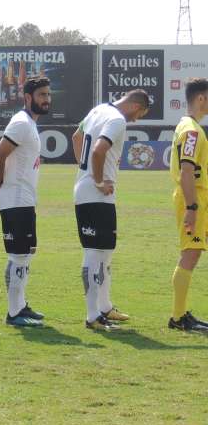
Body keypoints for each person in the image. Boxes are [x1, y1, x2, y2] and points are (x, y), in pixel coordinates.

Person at [72, 89, 150, 330]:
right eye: (140, 115)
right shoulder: (116, 119)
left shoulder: (98, 110)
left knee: (105, 253)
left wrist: (84, 170)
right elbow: (98, 150)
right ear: (136, 106)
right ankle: (92, 316)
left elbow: (77, 136)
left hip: (90, 192)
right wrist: (96, 179)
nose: (136, 120)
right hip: (95, 194)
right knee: (95, 253)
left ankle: (104, 308)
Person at [0, 76, 52, 327]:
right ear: (28, 98)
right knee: (18, 255)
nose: (46, 99)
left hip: (25, 199)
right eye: (41, 95)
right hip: (15, 200)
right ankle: (13, 313)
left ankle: (20, 305)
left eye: (48, 95)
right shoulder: (21, 123)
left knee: (26, 254)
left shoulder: (30, 125)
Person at [168, 78, 208, 332]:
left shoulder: (189, 126)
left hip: (198, 197)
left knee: (193, 252)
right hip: (193, 198)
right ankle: (178, 317)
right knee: (190, 254)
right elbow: (186, 171)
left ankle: (180, 315)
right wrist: (192, 208)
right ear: (201, 98)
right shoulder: (191, 130)